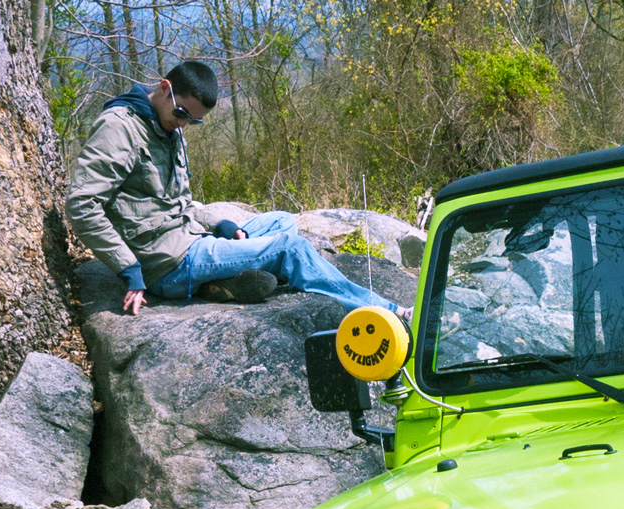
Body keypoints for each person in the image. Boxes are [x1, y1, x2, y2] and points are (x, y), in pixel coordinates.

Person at [65, 60, 401, 318]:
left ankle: (223, 280)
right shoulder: (119, 128)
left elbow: (177, 203)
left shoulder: (168, 128)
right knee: (291, 248)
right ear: (164, 87)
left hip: (190, 239)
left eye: (192, 120)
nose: (183, 123)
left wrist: (219, 227)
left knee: (282, 221)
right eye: (181, 112)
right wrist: (129, 269)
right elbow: (82, 206)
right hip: (166, 263)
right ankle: (386, 312)